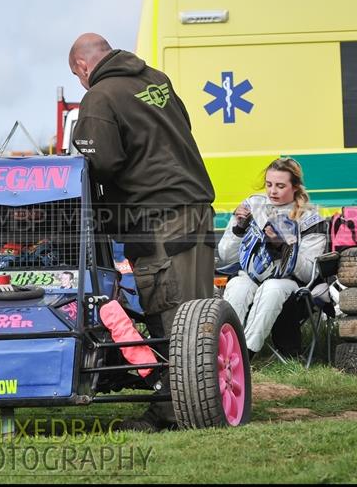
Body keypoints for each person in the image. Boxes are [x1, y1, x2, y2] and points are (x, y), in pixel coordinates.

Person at [68, 33, 216, 431]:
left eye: (80, 77)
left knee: (171, 312)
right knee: (198, 312)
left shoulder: (100, 96)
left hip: (158, 216)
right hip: (195, 209)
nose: (84, 83)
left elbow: (102, 163)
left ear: (83, 67)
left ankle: (173, 410)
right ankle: (205, 397)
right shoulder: (157, 81)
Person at [218, 157, 326, 359]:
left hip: (290, 284)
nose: (272, 191)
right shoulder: (253, 205)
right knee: (238, 286)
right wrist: (239, 229)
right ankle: (226, 351)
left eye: (280, 186)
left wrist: (283, 246)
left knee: (272, 288)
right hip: (252, 276)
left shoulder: (310, 217)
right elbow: (226, 255)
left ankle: (245, 355)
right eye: (269, 185)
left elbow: (311, 272)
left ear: (295, 187)